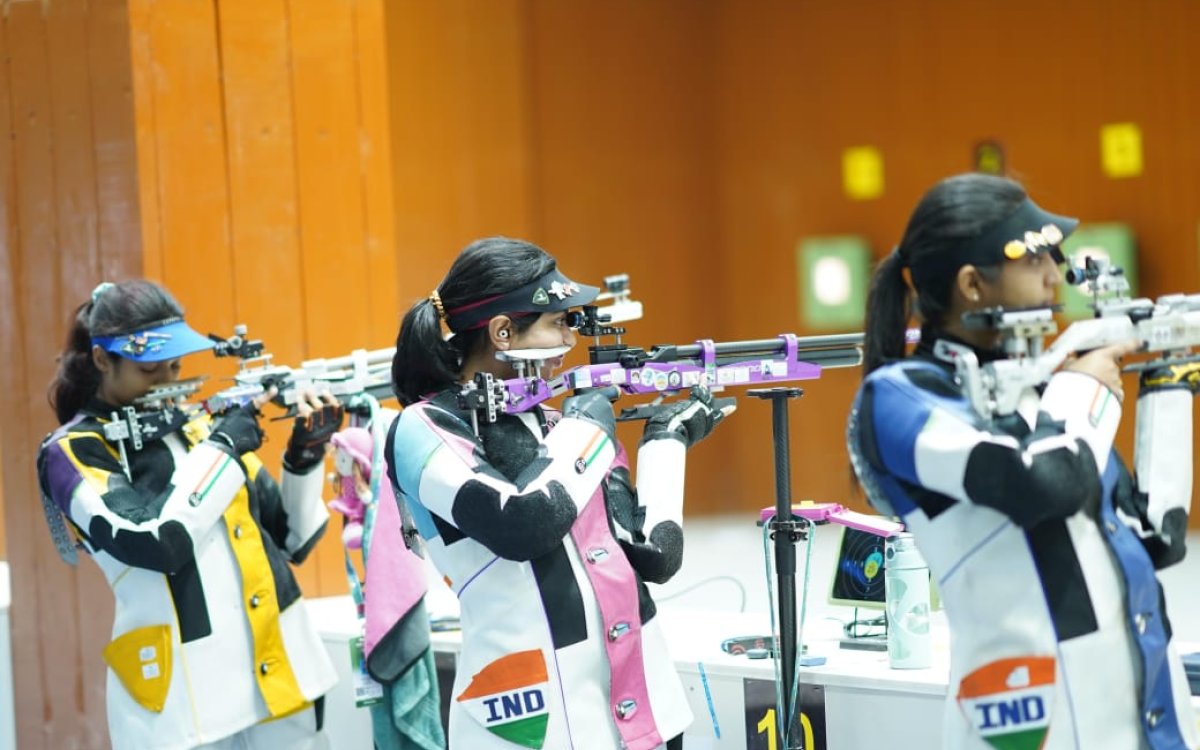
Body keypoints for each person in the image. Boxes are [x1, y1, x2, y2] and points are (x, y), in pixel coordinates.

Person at [847, 173, 1199, 750]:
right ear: (971, 284)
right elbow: (1046, 486)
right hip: (1031, 723)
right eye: (1034, 258)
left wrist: (1169, 388)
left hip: (1142, 719)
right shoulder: (901, 397)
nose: (1055, 276)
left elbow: (1157, 539)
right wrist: (1082, 390)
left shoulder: (1036, 395)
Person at [387, 236, 729, 750]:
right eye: (558, 322)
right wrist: (591, 430)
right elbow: (522, 524)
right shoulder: (425, 426)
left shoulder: (560, 426)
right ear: (503, 332)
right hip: (528, 720)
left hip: (643, 709)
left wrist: (666, 443)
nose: (571, 340)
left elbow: (653, 558)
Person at [37, 280, 344, 750]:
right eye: (148, 369)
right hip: (186, 700)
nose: (168, 381)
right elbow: (155, 542)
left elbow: (290, 542)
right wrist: (222, 447)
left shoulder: (198, 425)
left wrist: (305, 456)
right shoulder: (73, 451)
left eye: (176, 366)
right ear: (102, 360)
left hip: (281, 679)